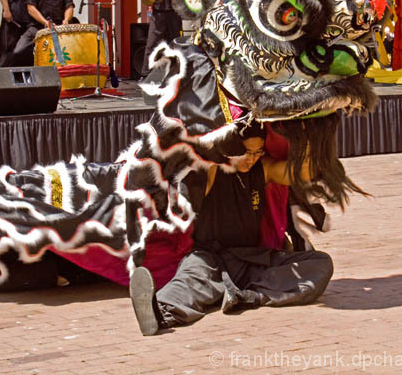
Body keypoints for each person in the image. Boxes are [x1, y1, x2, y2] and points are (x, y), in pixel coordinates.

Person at [129, 124, 334, 336]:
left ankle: (248, 297)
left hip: (252, 261)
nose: (251, 159)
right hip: (209, 260)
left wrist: (308, 131)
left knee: (320, 264)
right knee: (187, 284)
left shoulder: (262, 169)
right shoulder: (210, 170)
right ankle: (158, 313)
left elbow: (303, 172)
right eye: (245, 152)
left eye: (257, 152)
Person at [140, 0, 182, 77]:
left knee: (175, 43)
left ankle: (177, 72)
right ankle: (145, 73)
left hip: (173, 15)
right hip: (157, 15)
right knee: (151, 43)